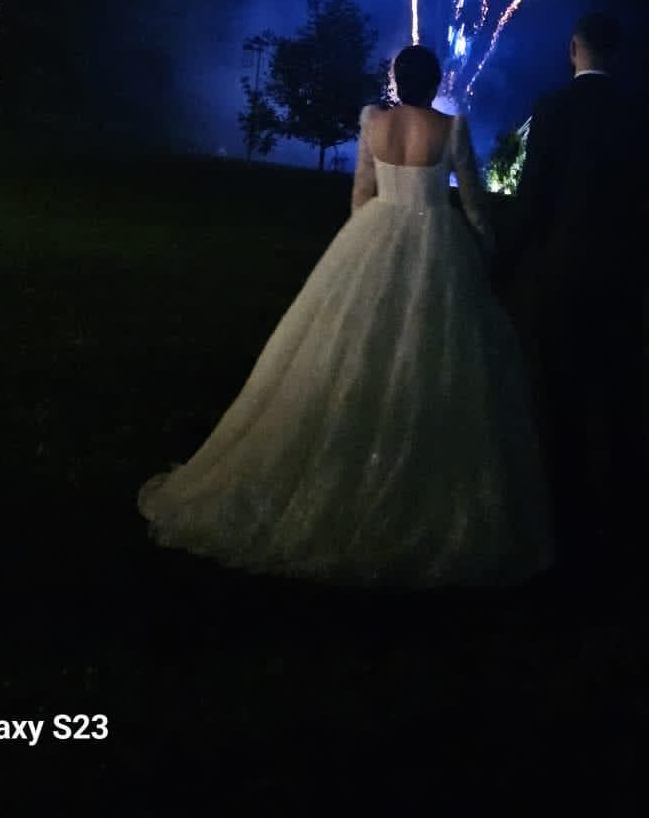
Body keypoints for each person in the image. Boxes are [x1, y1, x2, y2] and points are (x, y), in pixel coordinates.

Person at [138, 44, 553, 588]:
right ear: (435, 83)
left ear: (396, 81)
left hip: (376, 232)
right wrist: (484, 246)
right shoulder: (451, 129)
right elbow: (472, 202)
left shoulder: (373, 123)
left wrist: (369, 245)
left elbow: (361, 194)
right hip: (435, 238)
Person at [498, 12, 649, 577]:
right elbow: (642, 204)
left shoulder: (553, 107)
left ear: (573, 49)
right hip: (617, 274)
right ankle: (620, 516)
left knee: (558, 391)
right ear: (616, 52)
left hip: (559, 273)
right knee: (615, 394)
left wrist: (505, 261)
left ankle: (565, 513)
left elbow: (533, 193)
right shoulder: (639, 115)